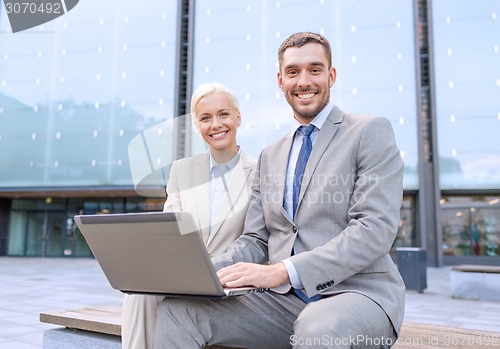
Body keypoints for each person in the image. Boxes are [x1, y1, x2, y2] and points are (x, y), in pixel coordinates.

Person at [153, 32, 405, 349]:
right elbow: (257, 238)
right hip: (284, 303)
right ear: (280, 80)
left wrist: (282, 271)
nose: (304, 81)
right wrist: (197, 273)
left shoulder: (369, 132)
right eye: (293, 72)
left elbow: (374, 229)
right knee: (179, 311)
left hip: (359, 293)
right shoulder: (270, 156)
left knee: (317, 330)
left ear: (332, 75)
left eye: (315, 69)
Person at [121, 82, 257, 349]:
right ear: (197, 125)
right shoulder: (180, 171)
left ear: (238, 117)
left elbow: (258, 239)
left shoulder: (262, 171)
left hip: (230, 282)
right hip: (183, 276)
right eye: (205, 118)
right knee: (139, 292)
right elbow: (170, 232)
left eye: (223, 114)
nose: (216, 124)